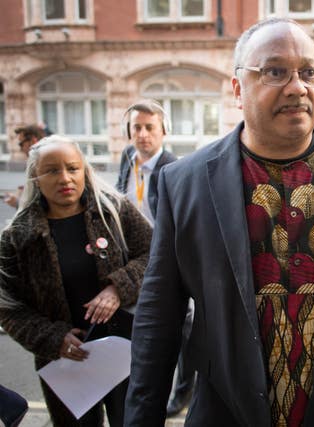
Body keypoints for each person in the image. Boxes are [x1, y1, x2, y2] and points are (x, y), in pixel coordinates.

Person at [125, 17, 314, 426]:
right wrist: (142, 414)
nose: (297, 87)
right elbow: (160, 311)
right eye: (274, 71)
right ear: (238, 89)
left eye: (309, 72)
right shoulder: (186, 182)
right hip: (229, 407)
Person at [0, 136, 152, 426]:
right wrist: (53, 338)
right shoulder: (17, 236)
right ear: (35, 176)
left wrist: (119, 287)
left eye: (73, 168)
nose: (65, 178)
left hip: (125, 353)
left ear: (85, 170)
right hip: (66, 365)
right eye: (52, 170)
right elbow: (9, 308)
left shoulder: (115, 211)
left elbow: (153, 254)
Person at [115, 100, 191, 417]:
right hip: (134, 258)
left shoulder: (173, 170)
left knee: (184, 331)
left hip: (165, 261)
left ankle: (185, 391)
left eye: (150, 127)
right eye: (137, 127)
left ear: (163, 131)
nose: (143, 135)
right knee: (143, 329)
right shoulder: (127, 157)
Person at [3, 125, 45, 209]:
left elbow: (42, 205)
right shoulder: (38, 160)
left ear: (33, 140)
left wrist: (17, 203)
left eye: (21, 144)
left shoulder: (41, 163)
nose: (20, 149)